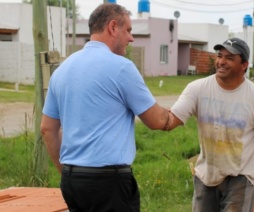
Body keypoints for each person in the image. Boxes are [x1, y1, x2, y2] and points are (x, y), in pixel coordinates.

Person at [40, 3, 170, 212]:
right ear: (112, 27)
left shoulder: (62, 70)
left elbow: (47, 129)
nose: (131, 38)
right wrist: (177, 115)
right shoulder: (121, 67)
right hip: (109, 183)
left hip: (73, 181)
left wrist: (66, 171)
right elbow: (157, 120)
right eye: (127, 30)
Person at [166, 37, 254, 211]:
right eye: (220, 56)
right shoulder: (197, 88)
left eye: (229, 58)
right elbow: (172, 119)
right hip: (206, 175)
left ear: (244, 65)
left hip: (241, 177)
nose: (221, 62)